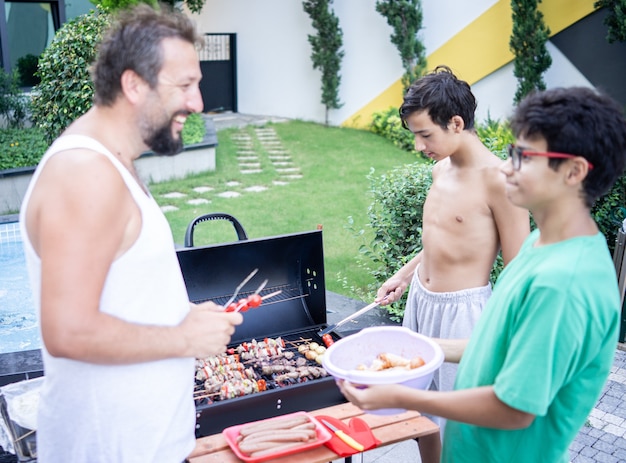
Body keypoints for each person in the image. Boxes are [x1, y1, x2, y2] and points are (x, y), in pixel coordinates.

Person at [339, 86, 626, 463]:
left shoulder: (564, 284)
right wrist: (416, 353)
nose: (505, 168)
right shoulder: (542, 245)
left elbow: (514, 409)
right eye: (511, 153)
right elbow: (497, 347)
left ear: (573, 171)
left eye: (523, 157)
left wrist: (400, 395)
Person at [18, 5, 243, 462]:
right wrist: (183, 339)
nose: (198, 103)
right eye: (185, 85)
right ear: (133, 84)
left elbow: (119, 294)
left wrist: (183, 317)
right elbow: (68, 331)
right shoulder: (86, 173)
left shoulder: (113, 163)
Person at [374, 65, 530, 461]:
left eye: (425, 134)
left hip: (464, 315)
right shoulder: (441, 168)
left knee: (459, 425)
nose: (419, 145)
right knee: (419, 413)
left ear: (456, 123)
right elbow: (440, 239)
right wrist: (405, 275)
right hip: (421, 303)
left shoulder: (500, 180)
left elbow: (518, 272)